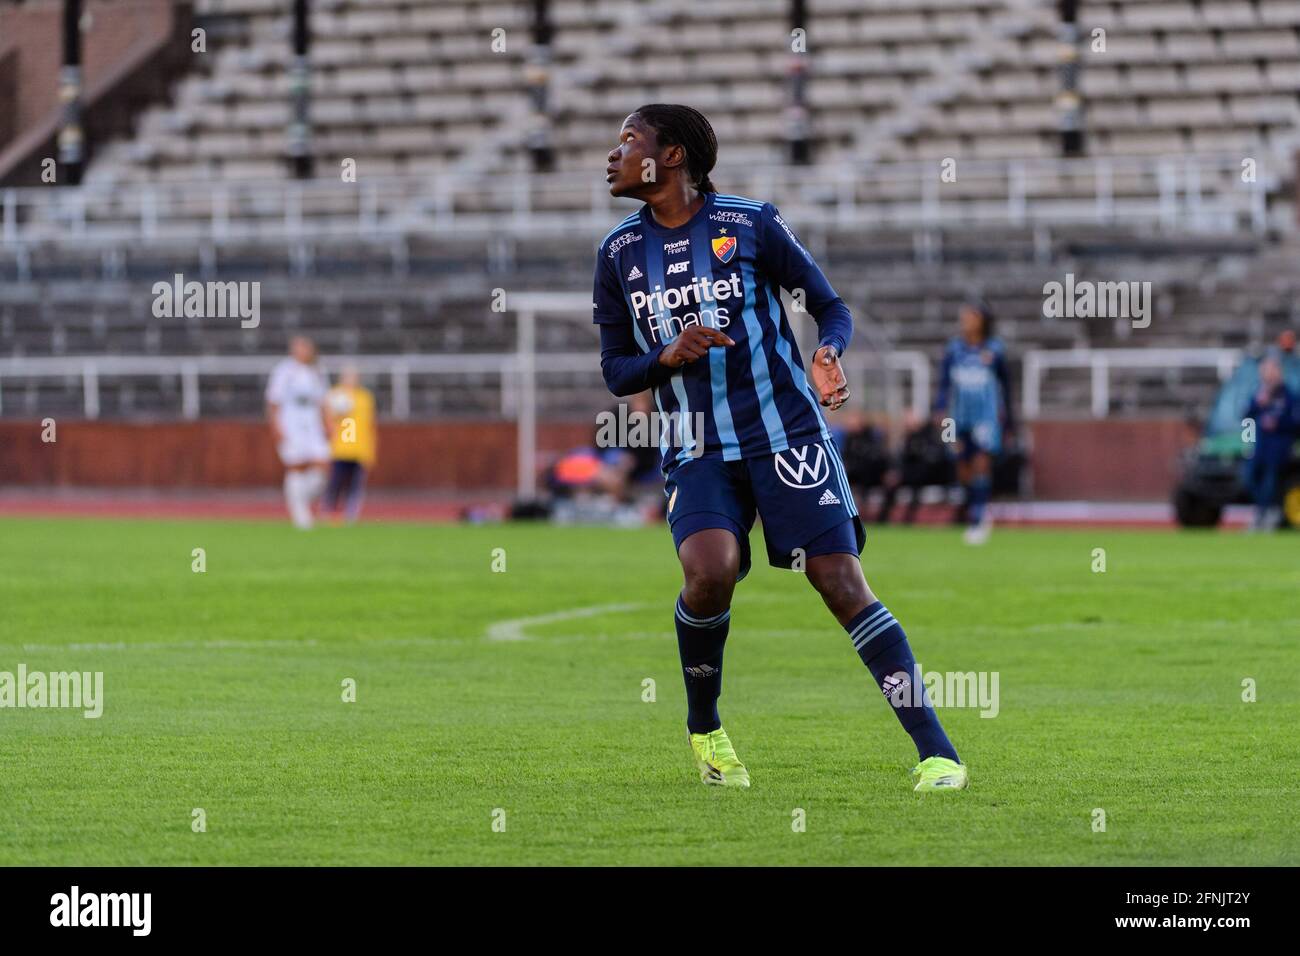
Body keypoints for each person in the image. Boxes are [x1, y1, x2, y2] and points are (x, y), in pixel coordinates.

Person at [594, 104, 967, 793]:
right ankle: (705, 730)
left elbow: (831, 305)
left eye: (627, 141)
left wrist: (828, 351)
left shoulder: (749, 224)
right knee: (709, 570)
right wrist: (666, 356)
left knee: (840, 581)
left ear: (671, 155)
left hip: (786, 434)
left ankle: (937, 752)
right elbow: (616, 368)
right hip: (697, 445)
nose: (611, 155)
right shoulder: (617, 253)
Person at [933, 299, 1014, 544]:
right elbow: (944, 384)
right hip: (958, 416)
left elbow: (1006, 386)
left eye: (972, 317)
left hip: (985, 417)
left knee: (981, 462)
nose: (966, 321)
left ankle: (978, 518)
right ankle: (972, 511)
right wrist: (939, 410)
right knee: (963, 467)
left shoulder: (995, 349)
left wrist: (1009, 419)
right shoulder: (954, 349)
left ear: (983, 321)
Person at [266, 336, 330, 529]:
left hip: (312, 422)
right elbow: (273, 401)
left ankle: (300, 499)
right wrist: (276, 427)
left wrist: (328, 423)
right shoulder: (284, 370)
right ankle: (300, 515)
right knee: (296, 465)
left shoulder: (318, 371)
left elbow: (323, 401)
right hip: (291, 421)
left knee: (322, 465)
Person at [1244, 356, 1296, 530]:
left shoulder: (1289, 396)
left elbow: (1296, 423)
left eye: (1270, 370)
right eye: (1264, 371)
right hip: (1260, 448)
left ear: (1278, 372)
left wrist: (1278, 423)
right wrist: (1257, 404)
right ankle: (1264, 511)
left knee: (1270, 482)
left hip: (1279, 449)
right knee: (1249, 478)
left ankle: (1267, 515)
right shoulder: (1259, 394)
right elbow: (1246, 415)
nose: (1267, 375)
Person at [323, 367, 377, 524]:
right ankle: (328, 511)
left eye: (354, 377)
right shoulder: (334, 395)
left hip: (359, 449)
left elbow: (371, 425)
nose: (351, 380)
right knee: (335, 481)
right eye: (348, 376)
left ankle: (350, 514)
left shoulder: (365, 397)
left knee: (355, 484)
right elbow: (327, 421)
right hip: (340, 449)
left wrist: (371, 451)